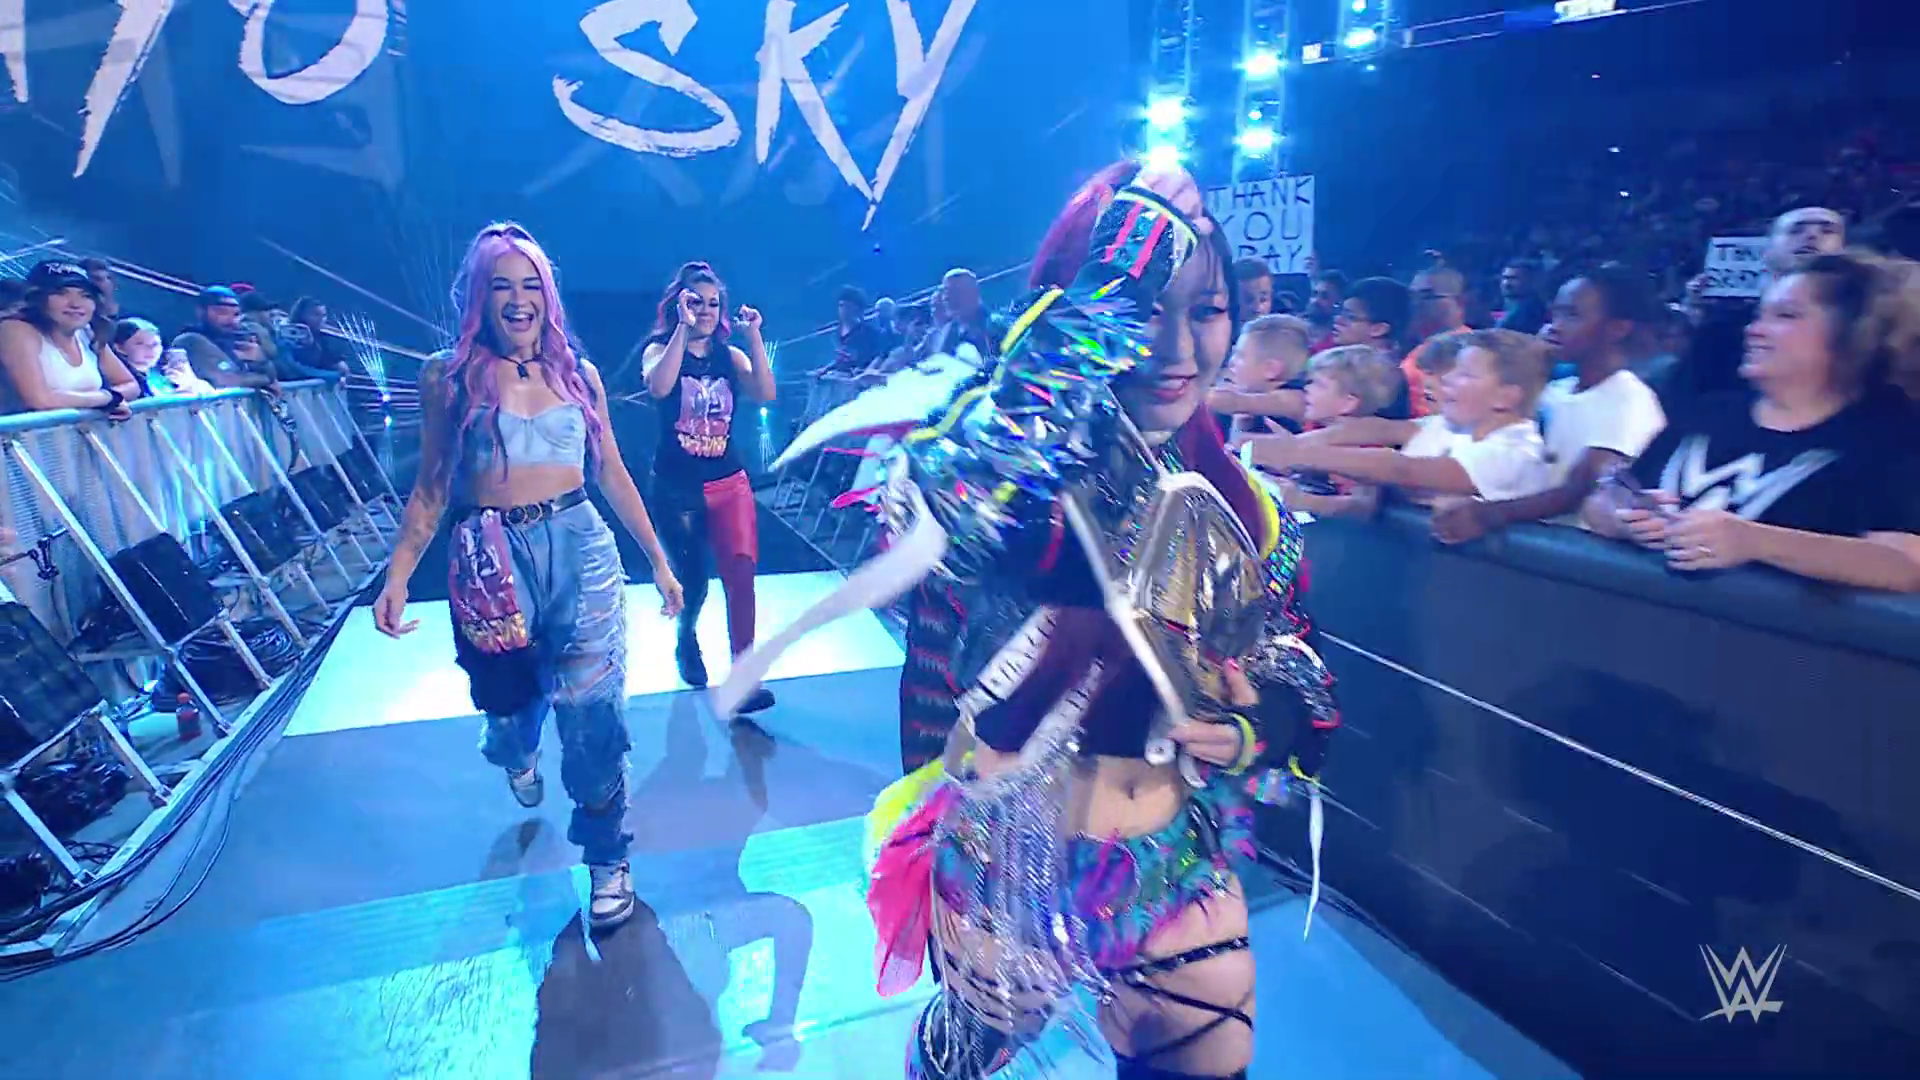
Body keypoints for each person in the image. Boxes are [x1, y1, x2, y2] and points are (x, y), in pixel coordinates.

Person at [723, 163, 1340, 1080]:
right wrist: (1124, 260)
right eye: (1145, 306)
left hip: (1174, 869)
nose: (1176, 346)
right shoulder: (1001, 467)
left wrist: (1257, 723)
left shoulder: (1249, 509)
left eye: (1207, 310)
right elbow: (971, 495)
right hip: (1004, 859)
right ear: (1088, 293)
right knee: (962, 1058)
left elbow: (1300, 666)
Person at [373, 222, 685, 930]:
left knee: (594, 714)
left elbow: (611, 471)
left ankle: (607, 856)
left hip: (581, 546)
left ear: (548, 295)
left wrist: (659, 561)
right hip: (491, 559)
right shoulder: (447, 377)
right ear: (478, 297)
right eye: (502, 286)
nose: (519, 300)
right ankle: (514, 747)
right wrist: (397, 577)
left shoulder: (578, 375)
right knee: (511, 712)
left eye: (531, 285)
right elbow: (431, 486)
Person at [1582, 250, 1920, 592]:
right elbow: (1606, 498)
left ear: (1852, 334)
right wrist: (1626, 519)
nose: (1753, 330)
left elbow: (1905, 564)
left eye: (1786, 315)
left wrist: (1754, 540)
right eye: (1759, 315)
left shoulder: (1888, 440)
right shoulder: (1710, 412)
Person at [1431, 263, 1666, 544]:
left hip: (1575, 556)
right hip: (1524, 544)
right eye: (1556, 313)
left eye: (1572, 315)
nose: (1556, 326)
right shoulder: (1555, 390)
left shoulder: (1630, 402)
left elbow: (1577, 491)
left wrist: (1488, 514)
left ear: (1617, 329)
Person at [641, 262, 779, 712]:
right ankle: (686, 638)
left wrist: (753, 335)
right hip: (677, 487)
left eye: (712, 304)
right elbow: (659, 387)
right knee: (694, 582)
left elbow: (765, 392)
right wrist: (682, 330)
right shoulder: (659, 350)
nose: (704, 310)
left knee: (741, 574)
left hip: (728, 481)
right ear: (679, 304)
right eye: (694, 302)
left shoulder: (729, 357)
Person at [1243, 328, 1552, 506]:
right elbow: (1378, 429)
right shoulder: (1451, 426)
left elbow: (1402, 469)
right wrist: (1300, 445)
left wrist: (1298, 454)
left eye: (1466, 375)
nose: (1448, 380)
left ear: (1505, 396)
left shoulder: (1514, 453)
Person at [1270, 345, 1405, 520]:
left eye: (1319, 385)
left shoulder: (1368, 448)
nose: (1307, 389)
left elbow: (1363, 506)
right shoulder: (1316, 426)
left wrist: (1304, 500)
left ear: (1348, 403)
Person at [0, 260, 138, 417]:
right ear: (36, 297)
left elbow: (130, 385)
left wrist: (107, 398)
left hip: (80, 432)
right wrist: (107, 399)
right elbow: (41, 400)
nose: (75, 304)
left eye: (85, 295)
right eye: (61, 293)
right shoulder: (14, 329)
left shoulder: (87, 333)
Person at [1207, 314, 1313, 436]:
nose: (1231, 362)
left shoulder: (1299, 398)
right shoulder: (1248, 402)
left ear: (1270, 369)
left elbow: (1232, 402)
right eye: (1233, 353)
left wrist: (1232, 402)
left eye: (1240, 355)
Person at [111, 317, 214, 397]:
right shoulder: (119, 380)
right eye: (140, 343)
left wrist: (190, 383)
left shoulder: (168, 374)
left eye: (155, 344)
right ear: (119, 347)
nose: (151, 349)